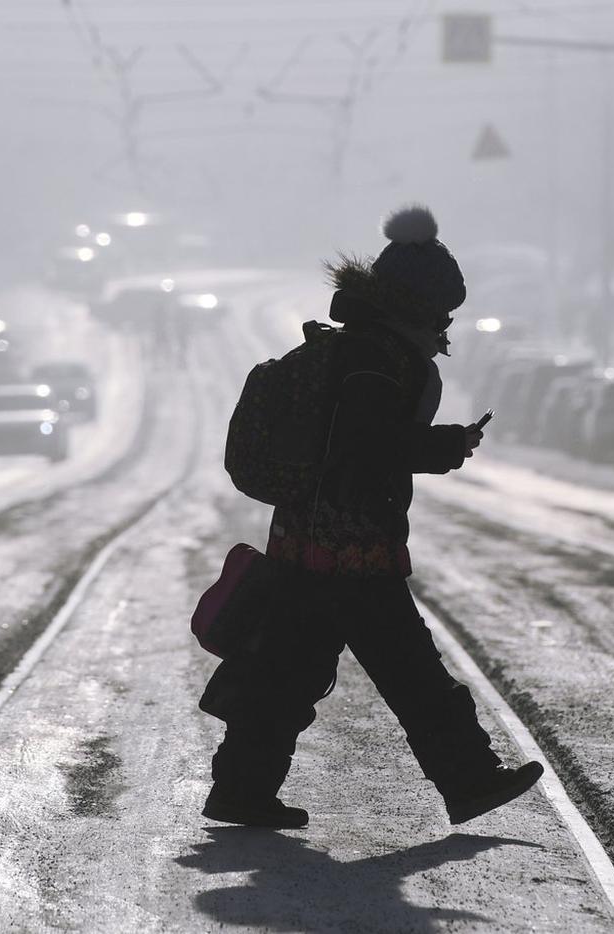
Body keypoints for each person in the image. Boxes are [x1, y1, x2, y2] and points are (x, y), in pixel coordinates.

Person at [199, 205, 543, 829]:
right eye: (441, 309)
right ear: (414, 304)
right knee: (413, 672)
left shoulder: (358, 348)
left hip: (305, 542)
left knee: (283, 676)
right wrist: (442, 446)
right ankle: (468, 779)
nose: (445, 323)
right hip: (353, 548)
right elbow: (366, 448)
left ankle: (240, 790)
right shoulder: (377, 362)